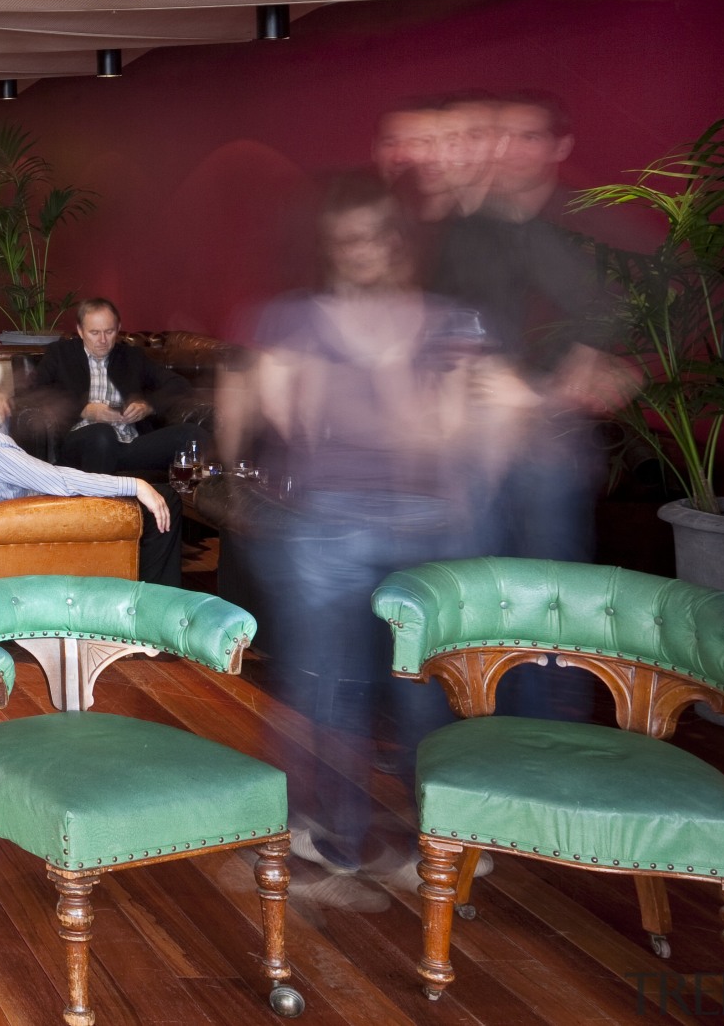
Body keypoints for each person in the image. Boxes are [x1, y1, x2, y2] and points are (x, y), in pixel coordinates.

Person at [234, 172, 531, 906]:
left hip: (427, 527)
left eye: (374, 234)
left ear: (399, 241)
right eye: (348, 237)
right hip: (327, 522)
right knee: (326, 686)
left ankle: (443, 841)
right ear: (331, 245)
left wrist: (460, 477)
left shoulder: (448, 321)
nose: (362, 249)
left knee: (429, 691)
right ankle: (331, 838)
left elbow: (468, 426)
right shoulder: (298, 319)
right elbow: (279, 407)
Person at [429, 90, 634, 720]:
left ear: (558, 148)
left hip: (551, 450)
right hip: (476, 445)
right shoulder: (470, 232)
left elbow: (632, 317)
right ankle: (489, 742)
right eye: (499, 136)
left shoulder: (586, 227)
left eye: (524, 137)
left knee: (553, 603)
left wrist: (556, 383)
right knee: (483, 599)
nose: (505, 149)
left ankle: (552, 747)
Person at [0, 348, 181, 585]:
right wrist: (135, 486)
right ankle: (152, 597)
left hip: (10, 510)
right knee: (166, 497)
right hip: (36, 518)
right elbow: (58, 482)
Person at [21, 299, 199, 479]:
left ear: (118, 327)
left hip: (129, 444)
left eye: (109, 331)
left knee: (192, 434)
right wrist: (83, 410)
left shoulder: (132, 356)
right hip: (82, 441)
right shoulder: (60, 354)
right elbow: (33, 392)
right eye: (94, 333)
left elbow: (179, 385)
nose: (103, 340)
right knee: (102, 434)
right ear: (80, 331)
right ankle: (99, 504)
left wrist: (148, 406)